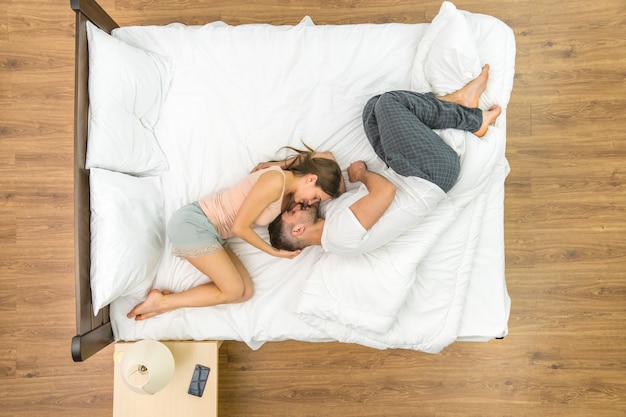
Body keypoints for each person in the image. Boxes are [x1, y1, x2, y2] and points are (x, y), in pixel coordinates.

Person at [269, 65, 501, 254]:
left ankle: (453, 104)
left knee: (372, 110)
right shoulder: (338, 235)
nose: (298, 205)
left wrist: (282, 168)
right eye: (292, 212)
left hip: (407, 169)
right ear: (298, 230)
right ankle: (471, 118)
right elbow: (385, 191)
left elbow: (331, 172)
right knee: (389, 104)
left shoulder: (329, 219)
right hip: (429, 176)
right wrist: (362, 176)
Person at [127, 146, 344, 320]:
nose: (311, 203)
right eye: (316, 197)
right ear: (311, 179)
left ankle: (163, 304)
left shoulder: (288, 186)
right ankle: (162, 303)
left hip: (213, 233)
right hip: (194, 224)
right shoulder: (276, 181)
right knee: (232, 291)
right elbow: (240, 227)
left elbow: (328, 159)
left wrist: (280, 162)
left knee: (245, 292)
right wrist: (274, 253)